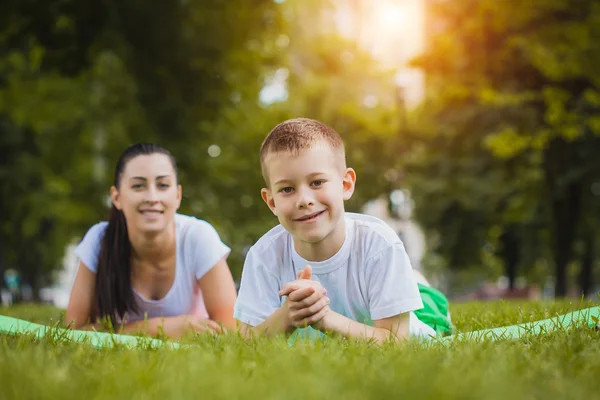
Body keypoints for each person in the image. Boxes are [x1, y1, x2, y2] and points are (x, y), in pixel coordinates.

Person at [234, 118, 452, 343]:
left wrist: (325, 318)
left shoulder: (379, 243)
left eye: (317, 182)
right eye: (287, 189)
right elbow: (245, 343)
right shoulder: (263, 256)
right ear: (271, 202)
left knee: (429, 310)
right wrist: (287, 315)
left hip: (417, 318)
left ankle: (419, 286)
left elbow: (397, 342)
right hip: (373, 296)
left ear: (345, 184)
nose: (304, 200)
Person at [65, 143, 237, 338]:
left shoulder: (198, 237)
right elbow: (73, 332)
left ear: (177, 195)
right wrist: (157, 328)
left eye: (163, 185)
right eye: (138, 186)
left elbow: (230, 329)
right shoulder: (99, 240)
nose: (152, 197)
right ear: (117, 197)